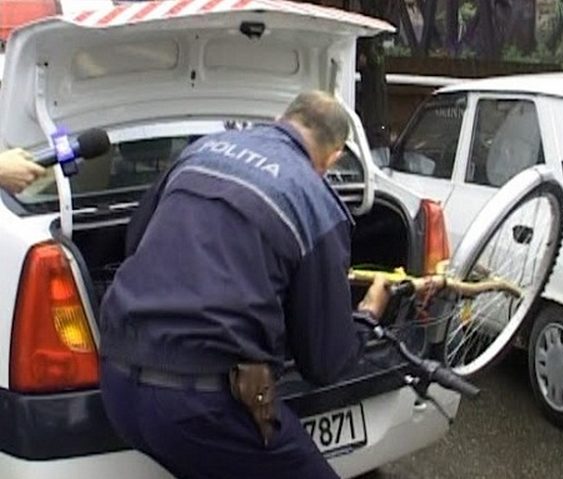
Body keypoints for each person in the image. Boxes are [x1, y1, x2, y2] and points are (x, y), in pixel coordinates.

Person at [99, 90, 391, 479]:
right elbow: (324, 362)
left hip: (118, 385)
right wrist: (368, 314)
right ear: (334, 157)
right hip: (198, 407)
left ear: (279, 118)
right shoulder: (314, 199)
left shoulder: (200, 152)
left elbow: (137, 241)